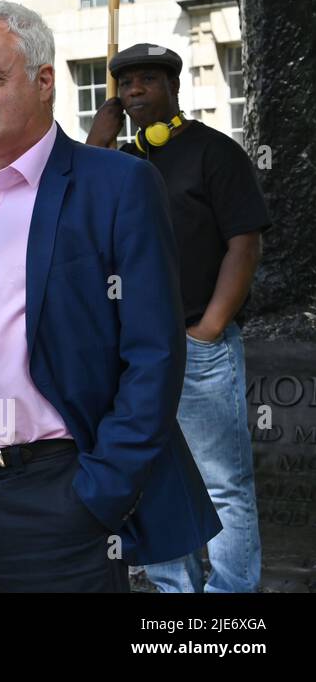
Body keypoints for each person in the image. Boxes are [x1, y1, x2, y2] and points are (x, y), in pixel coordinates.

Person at [0, 0, 221, 592]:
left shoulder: (117, 185)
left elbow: (154, 353)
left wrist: (102, 490)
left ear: (44, 80)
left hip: (59, 495)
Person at [87, 43, 270, 592]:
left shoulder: (215, 152)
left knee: (221, 485)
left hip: (196, 344)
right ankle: (176, 594)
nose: (136, 90)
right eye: (127, 83)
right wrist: (100, 136)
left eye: (148, 80)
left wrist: (211, 326)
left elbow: (245, 242)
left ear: (174, 88)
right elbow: (77, 206)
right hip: (136, 353)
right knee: (156, 478)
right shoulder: (119, 163)